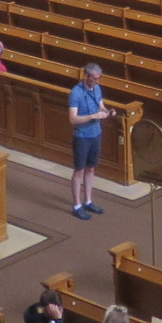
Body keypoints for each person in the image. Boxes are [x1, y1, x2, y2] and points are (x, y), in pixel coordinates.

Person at [68, 64, 105, 219]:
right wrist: (92, 117)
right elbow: (72, 119)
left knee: (91, 169)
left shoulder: (97, 89)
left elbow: (101, 106)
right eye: (94, 79)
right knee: (79, 170)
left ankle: (88, 201)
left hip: (96, 134)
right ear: (87, 76)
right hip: (82, 136)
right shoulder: (76, 93)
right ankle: (77, 205)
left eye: (98, 78)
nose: (96, 81)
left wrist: (106, 112)